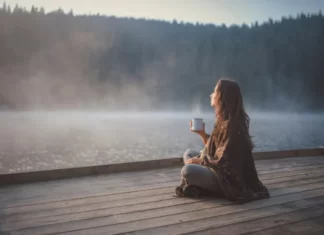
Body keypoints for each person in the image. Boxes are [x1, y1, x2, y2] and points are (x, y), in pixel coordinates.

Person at [175, 79, 270, 204]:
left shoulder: (233, 125)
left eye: (214, 92)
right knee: (189, 153)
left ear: (222, 97)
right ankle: (196, 183)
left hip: (228, 179)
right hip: (216, 168)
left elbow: (224, 162)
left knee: (188, 171)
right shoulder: (223, 120)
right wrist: (202, 134)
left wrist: (200, 161)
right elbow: (217, 149)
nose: (211, 95)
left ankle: (199, 185)